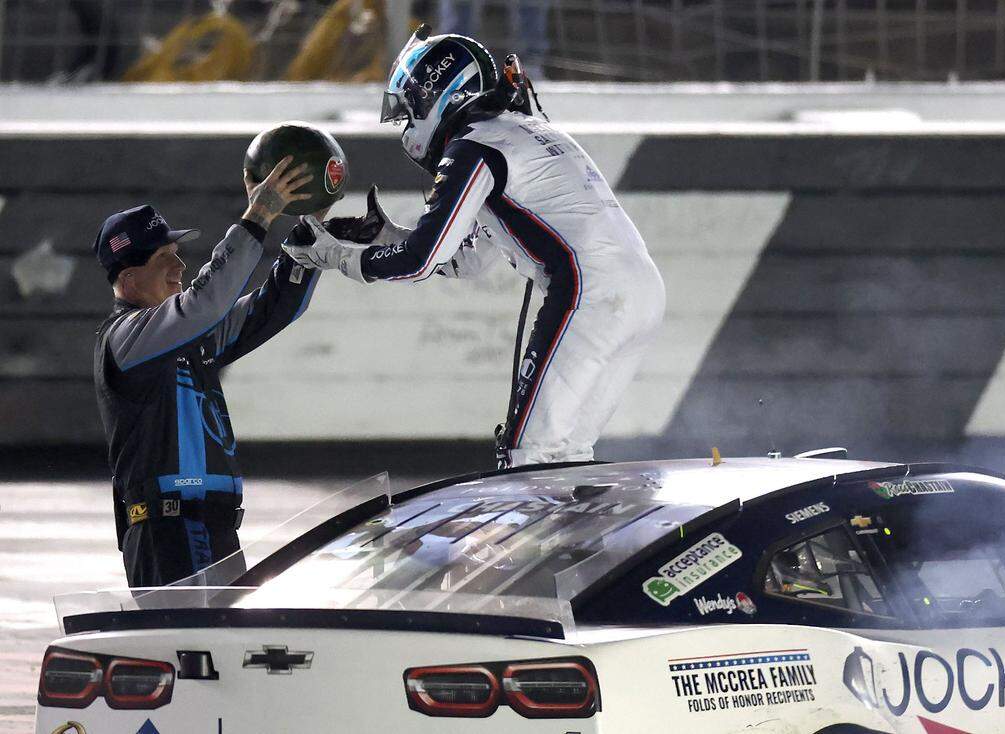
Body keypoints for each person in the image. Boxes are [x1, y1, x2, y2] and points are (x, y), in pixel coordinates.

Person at [283, 27, 665, 468]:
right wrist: (385, 236)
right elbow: (468, 258)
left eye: (409, 114)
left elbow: (420, 262)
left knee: (529, 459)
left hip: (587, 295)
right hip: (639, 295)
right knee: (565, 458)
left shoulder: (474, 147)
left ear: (436, 97)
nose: (408, 128)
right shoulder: (521, 131)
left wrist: (337, 256)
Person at [92, 157, 319, 587]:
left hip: (212, 529)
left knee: (221, 652)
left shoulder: (185, 337)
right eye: (165, 258)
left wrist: (312, 233)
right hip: (168, 533)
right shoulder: (125, 338)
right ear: (128, 278)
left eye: (177, 255)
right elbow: (207, 301)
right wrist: (258, 215)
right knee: (188, 652)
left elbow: (272, 309)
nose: (179, 267)